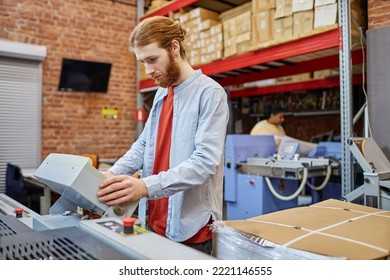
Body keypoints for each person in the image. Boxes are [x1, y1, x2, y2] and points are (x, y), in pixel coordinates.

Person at [97, 16, 229, 255]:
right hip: (154, 219)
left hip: (191, 228)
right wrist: (112, 174)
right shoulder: (161, 94)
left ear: (174, 48)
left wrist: (145, 186)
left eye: (152, 59)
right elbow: (144, 145)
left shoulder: (210, 94)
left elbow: (204, 163)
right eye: (142, 62)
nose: (148, 71)